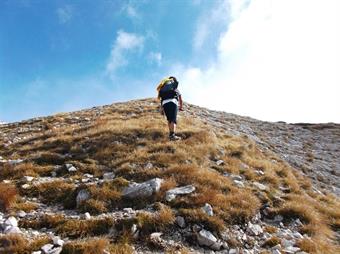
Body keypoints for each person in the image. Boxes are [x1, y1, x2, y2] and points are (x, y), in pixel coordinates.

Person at [157, 76, 183, 141]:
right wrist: (180, 107)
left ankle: (171, 134)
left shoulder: (163, 87)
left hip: (164, 103)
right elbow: (180, 99)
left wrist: (162, 108)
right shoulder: (175, 89)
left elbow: (161, 99)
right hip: (172, 102)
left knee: (169, 119)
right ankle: (172, 136)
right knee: (173, 120)